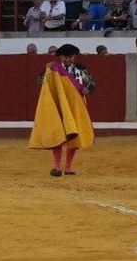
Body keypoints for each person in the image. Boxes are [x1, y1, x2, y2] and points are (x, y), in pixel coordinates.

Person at [27, 44, 95, 177]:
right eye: (65, 57)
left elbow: (92, 82)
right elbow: (40, 81)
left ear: (74, 57)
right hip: (60, 106)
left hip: (76, 106)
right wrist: (47, 69)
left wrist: (89, 89)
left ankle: (68, 168)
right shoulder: (53, 68)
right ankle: (57, 167)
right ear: (60, 57)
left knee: (75, 136)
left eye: (70, 57)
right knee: (58, 133)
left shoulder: (80, 69)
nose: (68, 59)